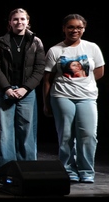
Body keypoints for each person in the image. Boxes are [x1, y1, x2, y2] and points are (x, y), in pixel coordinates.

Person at [43, 14, 104, 184]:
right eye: (70, 27)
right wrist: (46, 103)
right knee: (66, 135)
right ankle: (68, 169)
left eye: (78, 27)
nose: (74, 30)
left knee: (88, 134)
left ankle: (86, 170)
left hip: (87, 97)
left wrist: (84, 83)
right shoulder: (55, 50)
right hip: (62, 96)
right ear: (64, 29)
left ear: (83, 29)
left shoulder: (92, 48)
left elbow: (99, 71)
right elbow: (47, 79)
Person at [0, 8, 45, 172]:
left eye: (22, 19)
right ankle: (4, 169)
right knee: (4, 132)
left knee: (27, 130)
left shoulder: (36, 42)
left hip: (26, 92)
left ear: (28, 21)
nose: (19, 22)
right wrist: (6, 88)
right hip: (5, 91)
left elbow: (39, 69)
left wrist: (25, 88)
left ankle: (27, 170)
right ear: (10, 22)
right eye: (15, 19)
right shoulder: (1, 41)